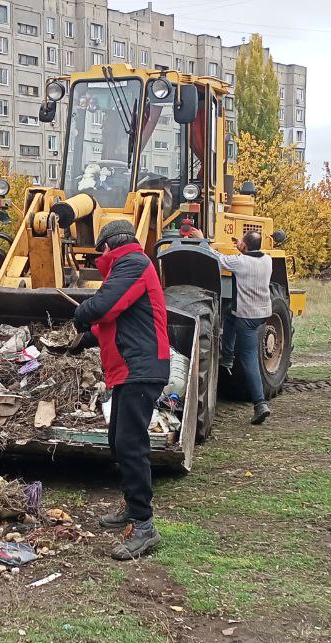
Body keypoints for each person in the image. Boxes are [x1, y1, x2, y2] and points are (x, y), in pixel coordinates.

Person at [72, 220, 170, 561]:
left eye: (101, 250)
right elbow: (119, 318)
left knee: (131, 444)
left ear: (109, 245)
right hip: (131, 369)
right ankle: (133, 508)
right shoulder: (132, 266)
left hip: (139, 370)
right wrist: (87, 337)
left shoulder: (132, 262)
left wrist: (80, 314)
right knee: (119, 440)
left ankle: (145, 527)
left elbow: (103, 306)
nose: (101, 256)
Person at [189, 227, 274, 425]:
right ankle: (227, 357)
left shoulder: (240, 262)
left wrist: (202, 240)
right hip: (262, 312)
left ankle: (260, 404)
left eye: (241, 242)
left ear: (244, 246)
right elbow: (246, 253)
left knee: (249, 357)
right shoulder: (267, 260)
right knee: (229, 314)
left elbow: (216, 257)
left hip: (248, 317)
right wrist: (241, 245)